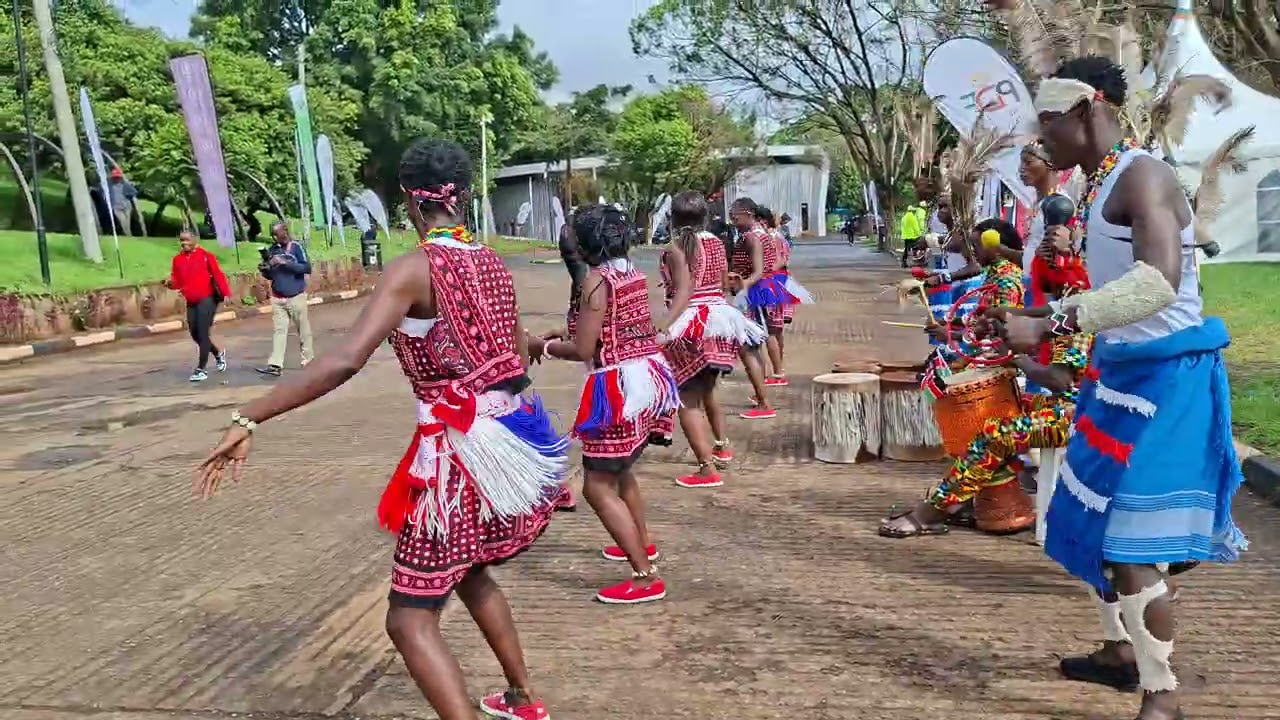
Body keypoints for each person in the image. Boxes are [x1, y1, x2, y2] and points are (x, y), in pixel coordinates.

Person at [196, 138, 568, 720]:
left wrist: (249, 415)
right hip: (508, 436)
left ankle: (510, 699)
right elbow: (511, 346)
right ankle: (521, 695)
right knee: (470, 572)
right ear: (465, 196)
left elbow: (345, 361)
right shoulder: (490, 262)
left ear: (408, 202)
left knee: (408, 618)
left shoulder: (412, 270)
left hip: (458, 455)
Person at [1000, 56, 1247, 720]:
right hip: (1119, 375)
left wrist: (1053, 318)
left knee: (1128, 546)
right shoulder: (1096, 181)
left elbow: (1157, 283)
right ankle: (1118, 651)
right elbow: (1112, 280)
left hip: (1167, 382)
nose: (1041, 138)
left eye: (1048, 122)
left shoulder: (1144, 176)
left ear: (1087, 109)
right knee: (1082, 522)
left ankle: (1162, 695)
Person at [529, 203, 678, 605]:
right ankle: (642, 544)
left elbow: (583, 348)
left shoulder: (596, 281)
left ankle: (645, 577)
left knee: (596, 486)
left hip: (616, 387)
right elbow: (618, 323)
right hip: (644, 379)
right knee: (622, 472)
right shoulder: (629, 271)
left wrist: (540, 346)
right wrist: (563, 329)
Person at [658, 191, 768, 489]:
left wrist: (663, 328)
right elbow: (722, 283)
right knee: (707, 390)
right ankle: (721, 446)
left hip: (690, 325)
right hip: (720, 322)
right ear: (705, 216)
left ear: (674, 218)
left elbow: (681, 292)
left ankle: (706, 469)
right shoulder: (717, 243)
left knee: (685, 399)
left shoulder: (674, 248)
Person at [726, 198, 778, 418]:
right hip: (758, 294)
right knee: (755, 346)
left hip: (750, 296)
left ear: (747, 213)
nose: (732, 220)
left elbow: (757, 271)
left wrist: (741, 285)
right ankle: (761, 395)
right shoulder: (762, 234)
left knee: (748, 349)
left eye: (735, 216)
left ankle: (764, 403)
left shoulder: (751, 237)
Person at [164, 231, 230, 382]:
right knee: (195, 334)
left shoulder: (206, 256)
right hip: (191, 300)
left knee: (202, 332)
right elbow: (177, 281)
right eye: (181, 240)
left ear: (194, 240)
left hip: (207, 299)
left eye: (187, 240)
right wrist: (170, 284)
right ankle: (218, 354)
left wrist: (226, 293)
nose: (184, 243)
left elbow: (218, 275)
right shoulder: (177, 259)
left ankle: (201, 369)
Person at [256, 222, 315, 377]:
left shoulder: (296, 247)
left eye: (277, 233)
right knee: (279, 331)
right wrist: (265, 270)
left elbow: (306, 268)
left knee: (303, 330)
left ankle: (308, 361)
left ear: (285, 231)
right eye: (272, 234)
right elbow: (271, 274)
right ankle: (275, 364)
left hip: (296, 296)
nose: (274, 237)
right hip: (278, 298)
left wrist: (284, 263)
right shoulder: (273, 250)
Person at [108, 167, 137, 236]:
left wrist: (128, 194)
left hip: (127, 206)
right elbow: (100, 189)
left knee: (127, 222)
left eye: (118, 177)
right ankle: (128, 235)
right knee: (123, 221)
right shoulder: (110, 186)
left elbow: (134, 192)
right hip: (117, 207)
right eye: (115, 177)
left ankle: (128, 235)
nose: (116, 179)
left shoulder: (125, 185)